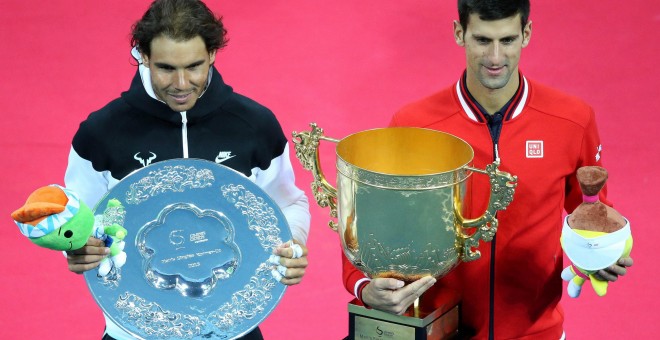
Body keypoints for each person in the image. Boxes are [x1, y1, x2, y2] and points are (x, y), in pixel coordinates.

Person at [341, 1, 633, 339]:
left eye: (507, 40)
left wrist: (599, 254)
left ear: (526, 34)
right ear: (458, 33)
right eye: (482, 40)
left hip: (536, 333)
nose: (495, 58)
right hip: (438, 329)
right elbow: (367, 226)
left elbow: (591, 211)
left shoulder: (573, 121)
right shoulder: (414, 125)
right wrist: (364, 286)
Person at [63, 0, 311, 339]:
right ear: (143, 56)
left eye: (194, 66)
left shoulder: (254, 126)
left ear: (212, 53)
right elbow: (77, 219)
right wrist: (77, 247)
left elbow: (288, 203)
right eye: (165, 67)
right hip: (133, 332)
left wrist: (292, 244)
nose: (181, 84)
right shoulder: (101, 132)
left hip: (234, 330)